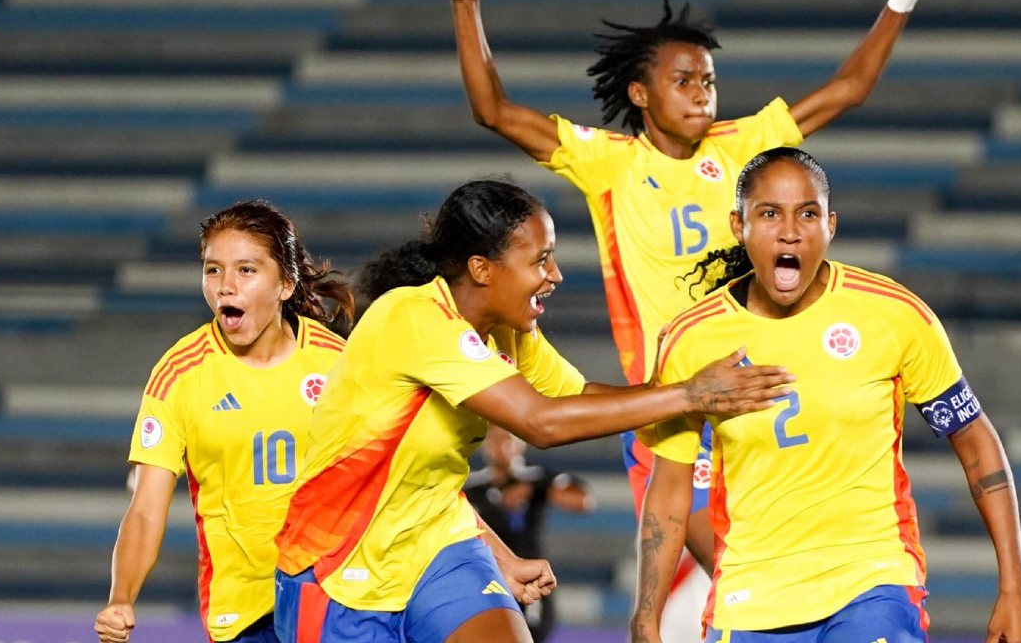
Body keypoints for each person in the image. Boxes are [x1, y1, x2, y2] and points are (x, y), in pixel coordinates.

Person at [449, 0, 935, 627]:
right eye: (683, 80)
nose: (702, 92)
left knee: (776, 582)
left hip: (752, 395)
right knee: (741, 576)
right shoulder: (607, 162)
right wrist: (467, 4)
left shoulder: (744, 144)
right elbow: (493, 109)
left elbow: (847, 89)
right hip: (671, 408)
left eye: (707, 78)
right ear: (642, 94)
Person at [271, 178, 796, 643]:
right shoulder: (413, 318)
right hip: (338, 559)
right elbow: (540, 423)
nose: (556, 275)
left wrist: (688, 385)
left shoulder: (507, 330)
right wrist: (691, 394)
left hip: (439, 546)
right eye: (540, 259)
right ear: (482, 269)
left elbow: (582, 398)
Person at [631, 148, 1021, 643]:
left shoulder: (893, 315)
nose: (790, 231)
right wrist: (646, 617)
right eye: (769, 214)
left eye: (807, 213)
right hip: (752, 596)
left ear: (830, 225)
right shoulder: (691, 339)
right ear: (738, 226)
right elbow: (671, 488)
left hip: (872, 580)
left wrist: (1015, 585)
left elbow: (973, 437)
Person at [95, 201, 354, 643]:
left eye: (246, 270)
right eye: (212, 270)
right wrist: (121, 597)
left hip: (335, 591)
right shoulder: (180, 374)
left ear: (286, 284)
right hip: (246, 610)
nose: (225, 287)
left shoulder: (338, 363)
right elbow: (145, 508)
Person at [466, 425, 595, 642]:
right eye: (493, 440)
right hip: (487, 578)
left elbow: (582, 501)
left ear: (520, 444)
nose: (499, 447)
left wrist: (538, 491)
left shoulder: (536, 479)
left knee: (531, 634)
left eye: (507, 440)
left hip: (528, 578)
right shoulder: (471, 487)